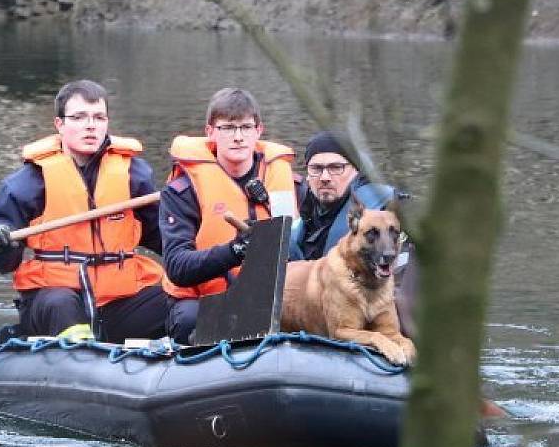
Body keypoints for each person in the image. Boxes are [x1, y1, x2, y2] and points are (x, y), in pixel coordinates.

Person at [0, 79, 168, 342]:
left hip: (118, 302)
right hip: (57, 298)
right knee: (62, 304)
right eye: (79, 117)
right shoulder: (28, 182)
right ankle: (81, 352)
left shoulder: (134, 176)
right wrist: (1, 244)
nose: (91, 125)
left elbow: (165, 239)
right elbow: (1, 262)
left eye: (98, 117)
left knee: (178, 297)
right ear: (60, 124)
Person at [159, 88, 298, 344]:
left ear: (259, 131)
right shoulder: (183, 191)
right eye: (228, 128)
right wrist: (235, 250)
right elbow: (177, 267)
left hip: (268, 299)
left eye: (246, 127)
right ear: (210, 132)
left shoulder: (285, 181)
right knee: (189, 319)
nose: (238, 137)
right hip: (204, 299)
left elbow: (301, 250)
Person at [292, 130, 418, 333]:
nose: (325, 177)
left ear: (356, 170)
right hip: (317, 325)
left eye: (336, 168)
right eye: (316, 168)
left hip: (382, 327)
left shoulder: (390, 211)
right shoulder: (301, 222)